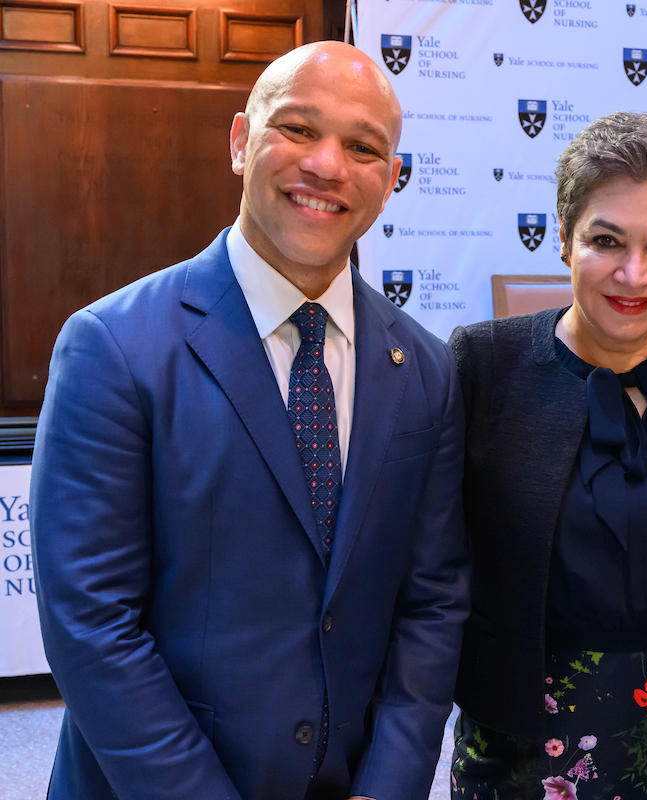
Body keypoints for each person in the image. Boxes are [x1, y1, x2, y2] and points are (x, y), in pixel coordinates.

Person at [30, 41, 469, 800]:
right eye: (298, 129)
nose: (328, 165)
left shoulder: (426, 368)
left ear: (391, 180)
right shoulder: (114, 347)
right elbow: (92, 624)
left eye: (363, 147)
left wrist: (390, 784)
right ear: (241, 141)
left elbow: (432, 604)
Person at [447, 111, 647, 800]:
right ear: (563, 240)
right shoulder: (483, 366)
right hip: (521, 758)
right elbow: (423, 569)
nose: (634, 272)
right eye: (606, 240)